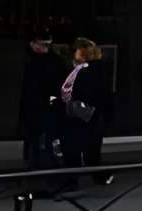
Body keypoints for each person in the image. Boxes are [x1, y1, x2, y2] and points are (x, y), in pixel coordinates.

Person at [56, 37, 112, 178]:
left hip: (85, 115)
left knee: (81, 149)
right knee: (88, 150)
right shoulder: (87, 69)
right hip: (87, 116)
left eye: (76, 51)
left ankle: (82, 178)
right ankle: (97, 177)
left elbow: (91, 93)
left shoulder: (88, 71)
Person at [20, 33, 67, 172]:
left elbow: (59, 85)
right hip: (35, 106)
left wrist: (52, 100)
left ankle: (46, 163)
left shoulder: (51, 62)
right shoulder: (32, 60)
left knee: (48, 136)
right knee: (34, 137)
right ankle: (35, 163)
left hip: (44, 106)